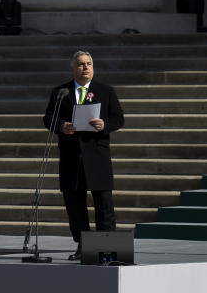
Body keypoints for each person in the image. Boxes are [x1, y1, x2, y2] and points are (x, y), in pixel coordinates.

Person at [43, 50, 125, 260]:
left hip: (97, 155)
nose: (85, 67)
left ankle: (106, 248)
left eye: (89, 63)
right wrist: (62, 126)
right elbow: (48, 117)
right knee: (75, 204)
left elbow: (118, 118)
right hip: (71, 156)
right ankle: (83, 245)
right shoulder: (61, 92)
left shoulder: (105, 91)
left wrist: (104, 124)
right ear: (73, 69)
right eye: (81, 64)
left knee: (104, 203)